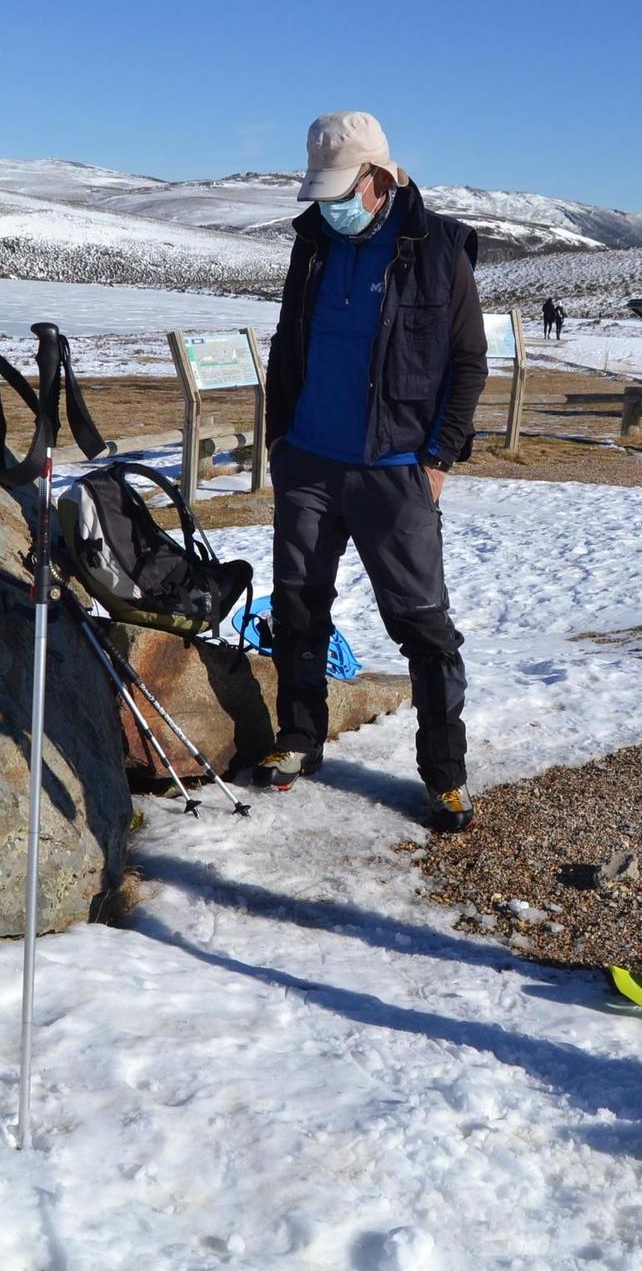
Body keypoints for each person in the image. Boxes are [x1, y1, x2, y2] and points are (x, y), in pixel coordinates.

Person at [255, 111, 488, 833]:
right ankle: (299, 737)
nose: (329, 206)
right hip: (311, 463)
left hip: (396, 471)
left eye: (341, 190)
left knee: (424, 628)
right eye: (320, 193)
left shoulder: (440, 247)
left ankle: (444, 774)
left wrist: (439, 458)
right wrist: (281, 440)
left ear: (380, 179)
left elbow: (468, 363)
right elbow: (289, 344)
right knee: (298, 609)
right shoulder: (314, 244)